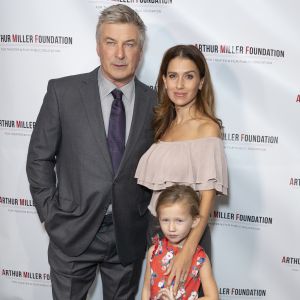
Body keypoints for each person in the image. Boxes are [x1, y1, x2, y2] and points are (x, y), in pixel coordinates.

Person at [26, 4, 156, 300]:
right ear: (98, 47)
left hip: (128, 236)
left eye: (129, 44)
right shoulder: (63, 93)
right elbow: (39, 158)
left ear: (140, 50)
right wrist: (51, 215)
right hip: (72, 232)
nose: (119, 54)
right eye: (111, 43)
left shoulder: (156, 103)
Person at [135, 44, 228, 294]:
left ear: (201, 82)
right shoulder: (163, 126)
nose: (180, 85)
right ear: (164, 81)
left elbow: (207, 196)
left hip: (188, 235)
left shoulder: (207, 128)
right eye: (173, 76)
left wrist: (188, 249)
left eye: (189, 76)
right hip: (156, 230)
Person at [142, 185, 219, 300]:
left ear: (194, 221)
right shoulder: (153, 251)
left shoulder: (200, 257)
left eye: (179, 221)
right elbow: (147, 289)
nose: (171, 228)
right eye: (165, 220)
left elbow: (213, 297)